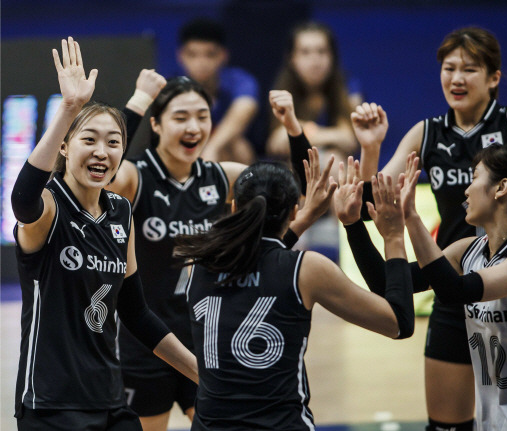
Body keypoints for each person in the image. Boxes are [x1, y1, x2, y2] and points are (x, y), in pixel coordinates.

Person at [349, 27, 507, 430]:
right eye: (448, 68)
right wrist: (369, 149)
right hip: (455, 271)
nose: (456, 78)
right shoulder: (426, 132)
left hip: (502, 274)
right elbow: (370, 202)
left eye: (469, 69)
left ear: (494, 78)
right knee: (451, 423)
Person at [107, 76, 324, 431]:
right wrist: (138, 101)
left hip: (205, 344)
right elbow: (104, 169)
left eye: (203, 116)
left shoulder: (220, 178)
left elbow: (292, 188)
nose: (194, 127)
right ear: (156, 124)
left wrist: (292, 125)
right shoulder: (135, 177)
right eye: (180, 117)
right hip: (145, 347)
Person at [10, 37, 197, 431]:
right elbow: (23, 199)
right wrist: (69, 107)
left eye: (114, 143)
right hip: (51, 406)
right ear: (64, 146)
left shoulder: (120, 211)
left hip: (110, 402)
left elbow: (136, 313)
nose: (102, 151)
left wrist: (204, 374)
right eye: (88, 140)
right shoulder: (48, 207)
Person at [338, 132, 507, 429]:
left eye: (474, 178)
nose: (465, 191)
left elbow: (454, 291)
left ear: (502, 188)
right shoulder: (469, 250)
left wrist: (410, 220)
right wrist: (353, 225)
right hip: (492, 422)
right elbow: (386, 283)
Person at [172, 153, 415, 430]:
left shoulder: (199, 262)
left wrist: (306, 216)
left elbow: (260, 257)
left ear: (235, 206)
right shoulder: (307, 270)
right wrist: (394, 236)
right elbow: (398, 323)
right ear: (292, 211)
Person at [266, 21, 361, 167]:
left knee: (334, 160)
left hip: (335, 166)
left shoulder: (347, 88)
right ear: (291, 58)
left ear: (332, 56)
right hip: (293, 166)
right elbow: (276, 143)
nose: (315, 61)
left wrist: (301, 129)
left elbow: (349, 140)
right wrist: (329, 134)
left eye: (322, 51)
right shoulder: (281, 90)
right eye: (305, 52)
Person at [177, 18, 259, 164]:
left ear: (223, 55)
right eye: (193, 54)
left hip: (227, 151)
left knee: (238, 146)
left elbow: (246, 107)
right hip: (187, 149)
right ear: (181, 56)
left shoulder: (240, 80)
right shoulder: (172, 86)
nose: (201, 62)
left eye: (210, 54)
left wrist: (212, 148)